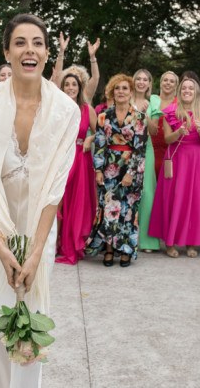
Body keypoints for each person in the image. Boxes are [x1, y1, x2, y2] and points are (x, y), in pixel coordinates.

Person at [0, 13, 79, 387]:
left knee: (31, 323)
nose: (29, 50)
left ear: (47, 53)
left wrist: (34, 252)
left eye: (37, 42)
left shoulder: (67, 111)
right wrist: (1, 247)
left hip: (37, 226)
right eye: (20, 42)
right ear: (7, 51)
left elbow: (54, 189)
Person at [86, 74, 147, 268]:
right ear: (113, 92)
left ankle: (126, 249)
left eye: (125, 88)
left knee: (128, 211)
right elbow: (100, 145)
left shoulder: (140, 117)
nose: (121, 91)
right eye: (117, 88)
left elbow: (140, 148)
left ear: (130, 93)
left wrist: (131, 173)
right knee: (109, 209)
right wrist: (98, 170)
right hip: (109, 168)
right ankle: (110, 249)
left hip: (132, 168)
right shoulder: (104, 116)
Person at [148, 77, 200, 257]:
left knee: (195, 199)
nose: (187, 91)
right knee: (173, 198)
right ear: (179, 91)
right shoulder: (171, 111)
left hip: (196, 160)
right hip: (176, 158)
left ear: (196, 92)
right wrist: (178, 132)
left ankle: (192, 243)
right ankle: (170, 243)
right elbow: (167, 139)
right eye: (184, 88)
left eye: (191, 88)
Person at [55, 73, 96, 265]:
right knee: (58, 202)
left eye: (74, 85)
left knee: (75, 203)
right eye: (67, 84)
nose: (71, 88)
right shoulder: (56, 108)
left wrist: (90, 137)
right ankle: (55, 244)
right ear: (62, 88)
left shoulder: (88, 109)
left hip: (80, 159)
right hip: (61, 158)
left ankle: (71, 244)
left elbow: (102, 133)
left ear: (80, 88)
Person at [132, 69, 161, 253]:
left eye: (145, 79)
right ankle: (127, 236)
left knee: (148, 192)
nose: (141, 82)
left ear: (149, 84)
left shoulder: (153, 102)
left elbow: (154, 130)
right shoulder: (124, 98)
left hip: (147, 148)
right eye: (138, 79)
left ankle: (148, 241)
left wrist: (144, 114)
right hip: (127, 149)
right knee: (129, 192)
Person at [50, 32, 100, 103]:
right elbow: (57, 74)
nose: (72, 77)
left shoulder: (85, 95)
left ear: (82, 81)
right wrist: (61, 51)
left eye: (76, 76)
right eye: (70, 75)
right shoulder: (61, 94)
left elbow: (95, 77)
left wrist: (92, 57)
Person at [149, 71, 179, 176]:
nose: (168, 83)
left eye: (172, 81)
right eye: (165, 80)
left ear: (176, 86)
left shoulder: (179, 104)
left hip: (171, 152)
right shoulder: (151, 100)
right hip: (151, 150)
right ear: (161, 83)